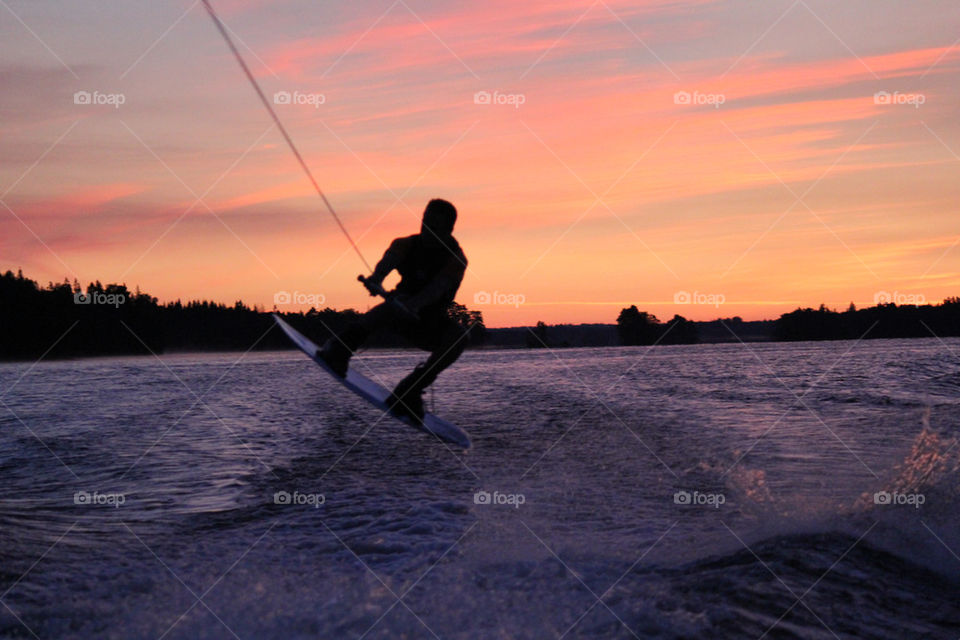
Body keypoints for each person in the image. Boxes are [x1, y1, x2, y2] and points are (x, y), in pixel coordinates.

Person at [317, 199, 468, 422]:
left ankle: (409, 391)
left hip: (429, 323)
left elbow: (437, 290)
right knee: (388, 308)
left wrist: (414, 305)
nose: (426, 231)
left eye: (434, 227)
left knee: (459, 338)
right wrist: (376, 279)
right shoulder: (405, 244)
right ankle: (339, 350)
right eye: (424, 223)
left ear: (448, 230)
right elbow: (389, 261)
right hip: (398, 311)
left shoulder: (456, 260)